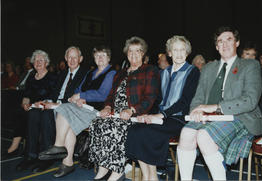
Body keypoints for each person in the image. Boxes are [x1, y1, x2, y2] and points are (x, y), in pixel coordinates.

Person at [177, 26, 262, 180]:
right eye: (220, 41)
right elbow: (198, 98)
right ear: (216, 47)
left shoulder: (250, 66)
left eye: (229, 39)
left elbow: (250, 100)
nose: (224, 44)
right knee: (186, 133)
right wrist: (195, 111)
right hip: (210, 116)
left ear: (237, 43)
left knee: (204, 136)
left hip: (240, 116)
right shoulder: (208, 68)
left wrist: (217, 107)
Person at [125, 36, 200, 181]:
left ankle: (152, 177)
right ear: (169, 53)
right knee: (134, 129)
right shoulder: (163, 73)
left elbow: (185, 101)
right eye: (175, 50)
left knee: (148, 132)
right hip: (162, 117)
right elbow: (157, 99)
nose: (179, 53)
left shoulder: (192, 72)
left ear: (187, 52)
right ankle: (148, 175)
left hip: (180, 118)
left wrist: (162, 115)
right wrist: (146, 115)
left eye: (182, 50)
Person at [88, 36, 160, 181]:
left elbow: (150, 98)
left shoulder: (150, 70)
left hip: (135, 114)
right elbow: (110, 96)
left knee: (115, 127)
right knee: (97, 123)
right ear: (126, 53)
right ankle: (102, 171)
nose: (133, 54)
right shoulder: (120, 73)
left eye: (137, 51)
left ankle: (117, 172)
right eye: (130, 51)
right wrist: (107, 107)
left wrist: (131, 110)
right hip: (116, 112)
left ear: (143, 53)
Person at [38, 45, 116, 178]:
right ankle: (67, 162)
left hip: (99, 110)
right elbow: (79, 89)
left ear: (108, 58)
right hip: (84, 107)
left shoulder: (111, 73)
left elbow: (103, 94)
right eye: (97, 56)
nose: (100, 58)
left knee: (64, 111)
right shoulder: (91, 73)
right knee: (66, 113)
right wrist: (77, 98)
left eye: (103, 55)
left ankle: (59, 148)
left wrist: (82, 97)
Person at [15, 50, 57, 171]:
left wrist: (44, 103)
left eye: (41, 60)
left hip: (48, 107)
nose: (38, 62)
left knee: (44, 115)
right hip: (34, 108)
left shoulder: (52, 77)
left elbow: (55, 96)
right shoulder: (31, 78)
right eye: (36, 60)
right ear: (33, 63)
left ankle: (46, 157)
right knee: (31, 114)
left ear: (46, 63)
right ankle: (31, 156)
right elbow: (26, 95)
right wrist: (25, 103)